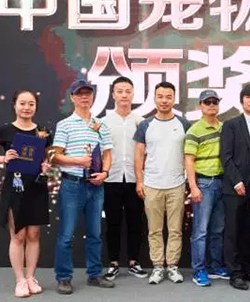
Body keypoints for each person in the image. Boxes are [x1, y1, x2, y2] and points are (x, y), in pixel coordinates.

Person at [0, 90, 53, 297]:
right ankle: (20, 280)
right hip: (15, 188)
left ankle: (31, 277)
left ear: (36, 106)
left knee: (34, 235)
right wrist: (3, 159)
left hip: (37, 188)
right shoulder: (5, 130)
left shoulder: (43, 132)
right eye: (22, 103)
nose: (26, 108)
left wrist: (46, 167)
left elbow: (47, 159)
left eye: (31, 104)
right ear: (14, 105)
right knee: (18, 235)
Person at [52, 79, 114, 294]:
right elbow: (55, 156)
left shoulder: (100, 125)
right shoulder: (64, 124)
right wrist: (78, 161)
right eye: (79, 94)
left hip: (96, 186)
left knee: (95, 233)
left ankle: (95, 274)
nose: (84, 97)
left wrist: (104, 173)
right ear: (72, 97)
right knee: (66, 235)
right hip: (72, 185)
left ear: (93, 97)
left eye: (88, 93)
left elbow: (108, 153)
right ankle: (63, 277)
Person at [134, 82, 191, 285]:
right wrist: (139, 181)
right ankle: (158, 266)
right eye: (160, 96)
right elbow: (139, 155)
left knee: (175, 229)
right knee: (154, 230)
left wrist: (188, 180)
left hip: (176, 184)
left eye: (168, 97)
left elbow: (189, 155)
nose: (164, 100)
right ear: (155, 99)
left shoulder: (184, 124)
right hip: (151, 184)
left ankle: (173, 266)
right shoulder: (145, 125)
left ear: (174, 99)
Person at [220, 84, 250, 290]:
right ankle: (235, 273)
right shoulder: (231, 125)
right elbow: (226, 156)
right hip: (236, 185)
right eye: (248, 97)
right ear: (242, 101)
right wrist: (237, 181)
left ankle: (248, 268)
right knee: (233, 230)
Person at [102, 77, 147, 281]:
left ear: (133, 94)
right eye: (119, 91)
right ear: (113, 94)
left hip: (134, 178)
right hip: (110, 178)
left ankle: (133, 261)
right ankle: (113, 263)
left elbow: (146, 152)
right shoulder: (103, 122)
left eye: (128, 91)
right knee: (112, 222)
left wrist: (142, 177)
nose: (124, 95)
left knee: (135, 222)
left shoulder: (141, 122)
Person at [184, 90, 228, 287]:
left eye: (214, 102)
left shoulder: (224, 128)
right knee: (200, 231)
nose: (211, 105)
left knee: (218, 229)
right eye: (207, 102)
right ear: (200, 106)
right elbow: (189, 160)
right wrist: (193, 186)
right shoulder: (194, 130)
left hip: (222, 182)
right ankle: (198, 270)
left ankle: (214, 266)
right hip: (203, 183)